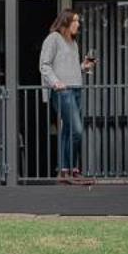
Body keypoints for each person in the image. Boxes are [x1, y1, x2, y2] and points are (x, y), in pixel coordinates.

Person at [39, 9, 94, 183]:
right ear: (65, 22)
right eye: (75, 21)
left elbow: (68, 68)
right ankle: (69, 171)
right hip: (63, 91)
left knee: (68, 131)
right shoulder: (53, 38)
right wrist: (55, 82)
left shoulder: (74, 43)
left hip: (76, 89)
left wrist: (83, 67)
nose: (78, 24)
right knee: (77, 130)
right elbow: (44, 65)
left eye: (78, 21)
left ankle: (67, 172)